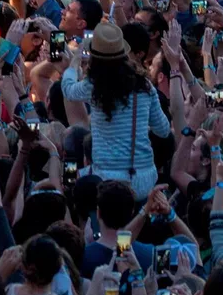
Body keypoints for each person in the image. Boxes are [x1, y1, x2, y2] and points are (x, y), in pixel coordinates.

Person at [62, 22, 171, 199]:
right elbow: (164, 130)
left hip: (108, 181)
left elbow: (68, 90)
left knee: (68, 178)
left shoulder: (94, 85)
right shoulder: (145, 86)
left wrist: (74, 63)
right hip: (145, 179)